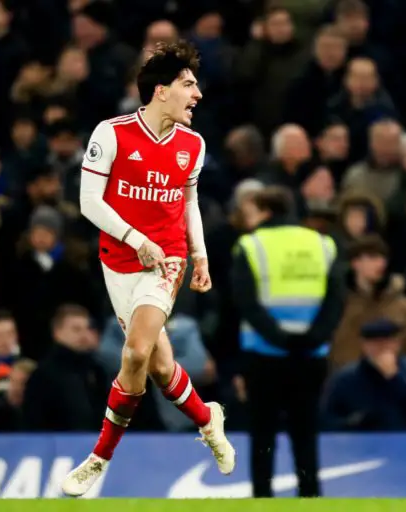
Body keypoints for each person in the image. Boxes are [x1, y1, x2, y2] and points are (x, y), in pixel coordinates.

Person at [61, 41, 235, 497]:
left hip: (167, 259)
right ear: (161, 90)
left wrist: (199, 255)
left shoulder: (193, 145)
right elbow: (88, 202)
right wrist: (136, 240)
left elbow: (189, 202)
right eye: (188, 84)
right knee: (158, 366)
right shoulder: (111, 133)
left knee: (136, 353)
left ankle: (99, 458)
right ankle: (207, 418)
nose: (197, 94)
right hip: (119, 262)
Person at [231, 186, 344, 497]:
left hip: (264, 354)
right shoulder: (322, 244)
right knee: (305, 433)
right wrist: (314, 336)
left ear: (265, 211)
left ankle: (262, 498)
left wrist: (280, 338)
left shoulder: (250, 245)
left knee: (262, 435)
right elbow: (336, 299)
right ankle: (309, 496)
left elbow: (245, 302)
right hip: (311, 354)